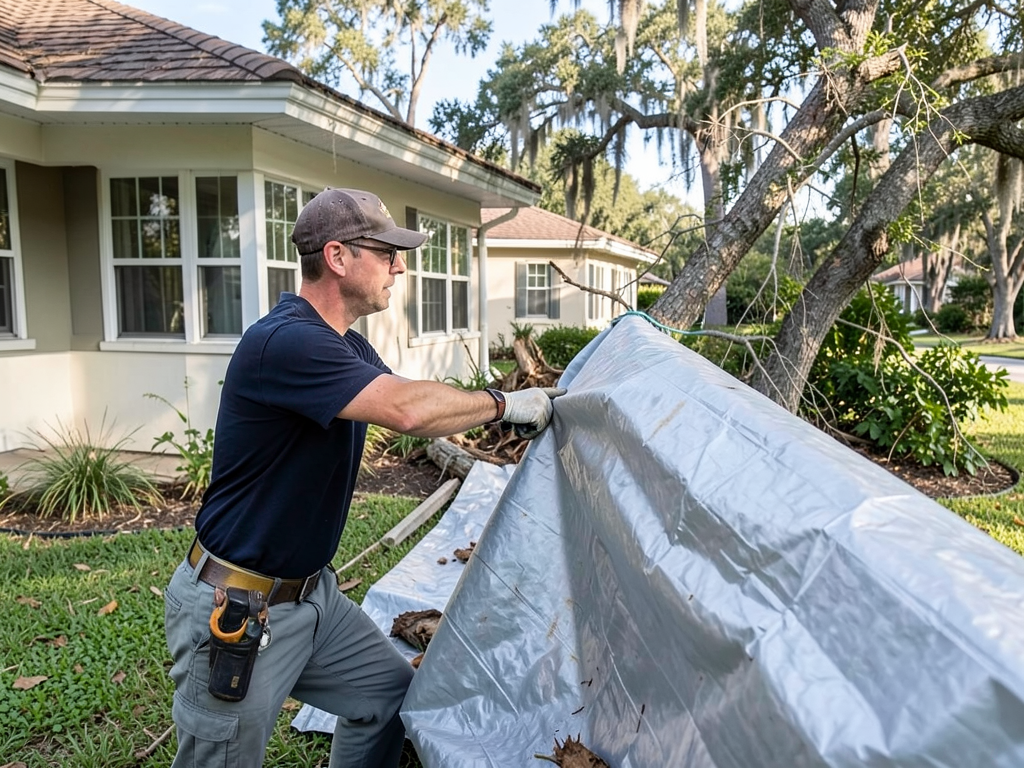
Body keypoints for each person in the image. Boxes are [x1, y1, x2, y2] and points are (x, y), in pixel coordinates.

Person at [163, 187, 565, 767]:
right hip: (238, 608)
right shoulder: (287, 342)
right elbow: (408, 410)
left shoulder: (344, 347)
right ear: (337, 257)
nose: (400, 265)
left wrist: (519, 420)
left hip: (312, 598)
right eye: (387, 251)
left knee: (385, 696)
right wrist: (506, 403)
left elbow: (414, 407)